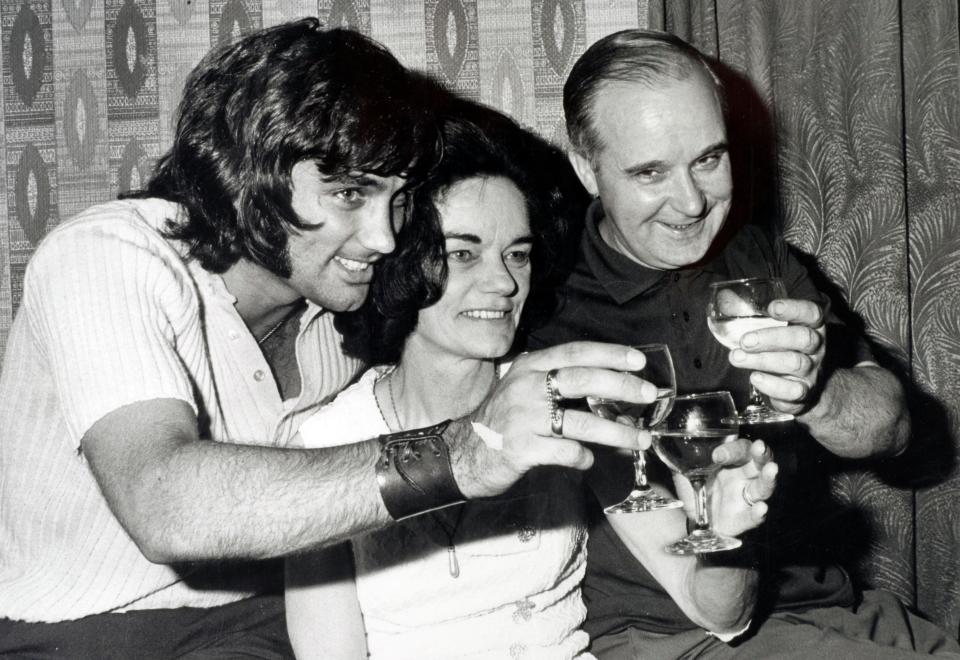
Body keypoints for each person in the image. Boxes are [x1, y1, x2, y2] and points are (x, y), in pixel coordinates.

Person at [0, 20, 662, 658]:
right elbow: (163, 504)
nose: (382, 236)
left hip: (260, 621)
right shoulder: (107, 256)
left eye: (396, 200)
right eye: (350, 194)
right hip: (85, 632)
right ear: (247, 173)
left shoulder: (337, 306)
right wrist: (460, 453)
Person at [284, 99, 777, 659]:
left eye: (517, 254)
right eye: (463, 254)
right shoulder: (324, 445)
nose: (503, 283)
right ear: (403, 261)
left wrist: (731, 535)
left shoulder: (564, 399)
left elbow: (718, 612)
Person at [524, 28, 960, 659]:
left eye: (708, 158)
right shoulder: (545, 305)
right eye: (650, 172)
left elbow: (893, 432)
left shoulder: (758, 257)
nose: (693, 201)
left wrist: (814, 394)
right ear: (586, 168)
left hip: (830, 607)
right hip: (674, 631)